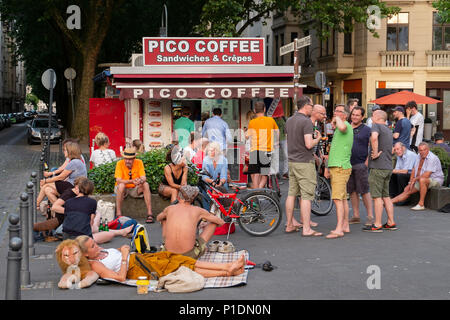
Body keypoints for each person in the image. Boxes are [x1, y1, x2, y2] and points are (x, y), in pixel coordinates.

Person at [76, 235, 245, 282]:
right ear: (85, 254)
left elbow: (117, 252)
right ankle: (226, 272)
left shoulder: (100, 252)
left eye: (95, 243)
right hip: (137, 268)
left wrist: (122, 249)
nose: (97, 246)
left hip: (141, 258)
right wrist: (125, 256)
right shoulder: (95, 264)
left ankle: (227, 266)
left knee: (177, 258)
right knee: (180, 268)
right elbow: (120, 277)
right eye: (93, 247)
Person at [284, 96, 322, 236]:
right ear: (306, 106)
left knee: (291, 193)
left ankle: (289, 224)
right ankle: (306, 229)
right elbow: (308, 144)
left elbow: (288, 142)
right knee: (306, 195)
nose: (312, 108)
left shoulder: (289, 120)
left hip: (292, 161)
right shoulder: (306, 122)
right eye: (311, 106)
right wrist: (317, 138)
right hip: (304, 161)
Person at [157, 185, 225, 259]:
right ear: (192, 199)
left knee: (163, 219)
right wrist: (206, 223)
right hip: (188, 255)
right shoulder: (198, 210)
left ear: (178, 197)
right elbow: (221, 222)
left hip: (168, 252)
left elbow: (158, 218)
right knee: (214, 222)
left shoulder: (169, 208)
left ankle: (164, 244)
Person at [363, 110, 397, 232]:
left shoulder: (376, 126)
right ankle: (391, 222)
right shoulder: (388, 129)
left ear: (376, 117)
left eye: (372, 115)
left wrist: (375, 152)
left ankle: (377, 224)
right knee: (386, 196)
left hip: (378, 167)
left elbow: (374, 138)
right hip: (388, 167)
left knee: (377, 197)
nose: (371, 118)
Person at [324, 104, 353, 239]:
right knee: (341, 198)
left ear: (345, 115)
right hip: (339, 166)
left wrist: (337, 119)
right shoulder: (340, 128)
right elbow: (333, 149)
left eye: (339, 112)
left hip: (340, 167)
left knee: (337, 199)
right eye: (335, 111)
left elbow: (342, 126)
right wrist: (327, 167)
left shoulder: (345, 125)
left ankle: (339, 228)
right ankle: (345, 225)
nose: (335, 113)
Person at [391, 142, 444, 210]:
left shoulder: (432, 158)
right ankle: (389, 202)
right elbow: (414, 170)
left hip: (436, 180)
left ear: (428, 150)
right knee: (407, 190)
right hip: (421, 179)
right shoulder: (419, 156)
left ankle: (421, 204)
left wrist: (414, 180)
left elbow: (426, 175)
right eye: (420, 150)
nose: (422, 152)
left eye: (424, 150)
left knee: (422, 180)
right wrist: (410, 183)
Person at [36, 141, 87, 210]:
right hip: (71, 184)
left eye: (65, 150)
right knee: (48, 190)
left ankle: (37, 205)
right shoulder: (75, 161)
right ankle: (59, 210)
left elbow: (61, 177)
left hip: (74, 187)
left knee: (46, 185)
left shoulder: (74, 162)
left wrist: (46, 180)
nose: (64, 152)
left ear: (70, 151)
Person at [347, 106, 374, 226]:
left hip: (361, 163)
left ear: (362, 117)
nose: (354, 117)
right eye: (353, 114)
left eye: (357, 115)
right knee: (352, 191)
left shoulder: (367, 129)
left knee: (364, 190)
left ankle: (370, 216)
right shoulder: (346, 127)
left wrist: (367, 162)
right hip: (347, 163)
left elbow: (373, 146)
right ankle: (356, 216)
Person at [114, 147, 153, 223]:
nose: (127, 161)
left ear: (134, 158)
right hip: (122, 189)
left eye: (130, 159)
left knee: (145, 184)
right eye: (126, 159)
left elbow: (144, 177)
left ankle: (150, 213)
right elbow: (118, 180)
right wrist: (132, 181)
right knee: (121, 185)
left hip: (135, 188)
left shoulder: (139, 162)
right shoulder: (119, 163)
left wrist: (140, 180)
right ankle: (118, 214)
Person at [246, 101, 279, 189]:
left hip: (255, 151)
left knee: (255, 174)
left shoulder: (252, 122)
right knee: (264, 174)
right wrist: (275, 144)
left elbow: (247, 136)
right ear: (264, 109)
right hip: (267, 150)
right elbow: (277, 133)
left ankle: (257, 193)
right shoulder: (271, 120)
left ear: (254, 110)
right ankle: (260, 190)